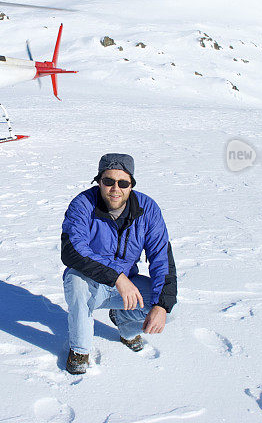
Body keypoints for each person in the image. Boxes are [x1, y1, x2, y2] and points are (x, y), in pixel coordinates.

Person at [60, 153, 177, 374]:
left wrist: (161, 305)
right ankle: (80, 350)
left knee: (169, 310)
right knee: (76, 282)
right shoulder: (82, 205)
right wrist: (116, 276)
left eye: (123, 183)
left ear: (131, 184)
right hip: (90, 283)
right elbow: (72, 250)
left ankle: (126, 325)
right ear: (99, 181)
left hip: (126, 285)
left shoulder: (148, 210)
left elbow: (162, 259)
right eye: (108, 181)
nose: (115, 188)